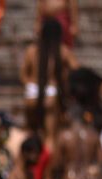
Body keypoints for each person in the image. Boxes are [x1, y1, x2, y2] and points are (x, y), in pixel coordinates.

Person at [20, 17, 76, 147]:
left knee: (30, 131)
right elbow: (77, 71)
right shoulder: (63, 51)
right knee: (50, 138)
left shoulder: (31, 50)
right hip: (52, 91)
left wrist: (30, 85)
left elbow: (23, 75)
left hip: (32, 92)